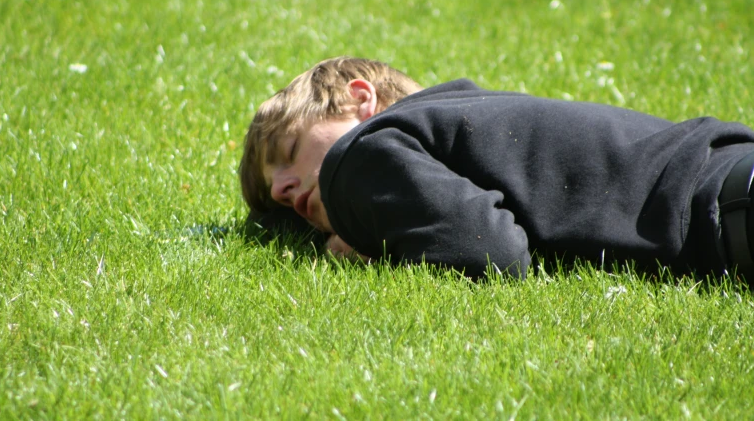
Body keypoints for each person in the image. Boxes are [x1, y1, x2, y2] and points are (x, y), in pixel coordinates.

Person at [240, 57, 754, 281]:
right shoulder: (460, 119)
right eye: (274, 192)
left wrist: (368, 235)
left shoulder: (362, 153)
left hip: (727, 203)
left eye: (288, 150)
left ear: (361, 101)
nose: (284, 189)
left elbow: (492, 254)